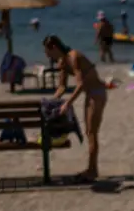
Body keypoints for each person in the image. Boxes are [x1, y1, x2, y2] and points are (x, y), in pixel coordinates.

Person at [44, 34, 107, 183]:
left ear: (54, 48)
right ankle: (92, 169)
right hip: (89, 94)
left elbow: (81, 84)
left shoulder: (73, 57)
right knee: (89, 132)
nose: (47, 56)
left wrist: (68, 103)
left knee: (92, 133)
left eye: (47, 52)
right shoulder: (63, 62)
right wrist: (51, 102)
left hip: (97, 94)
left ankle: (92, 171)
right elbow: (62, 87)